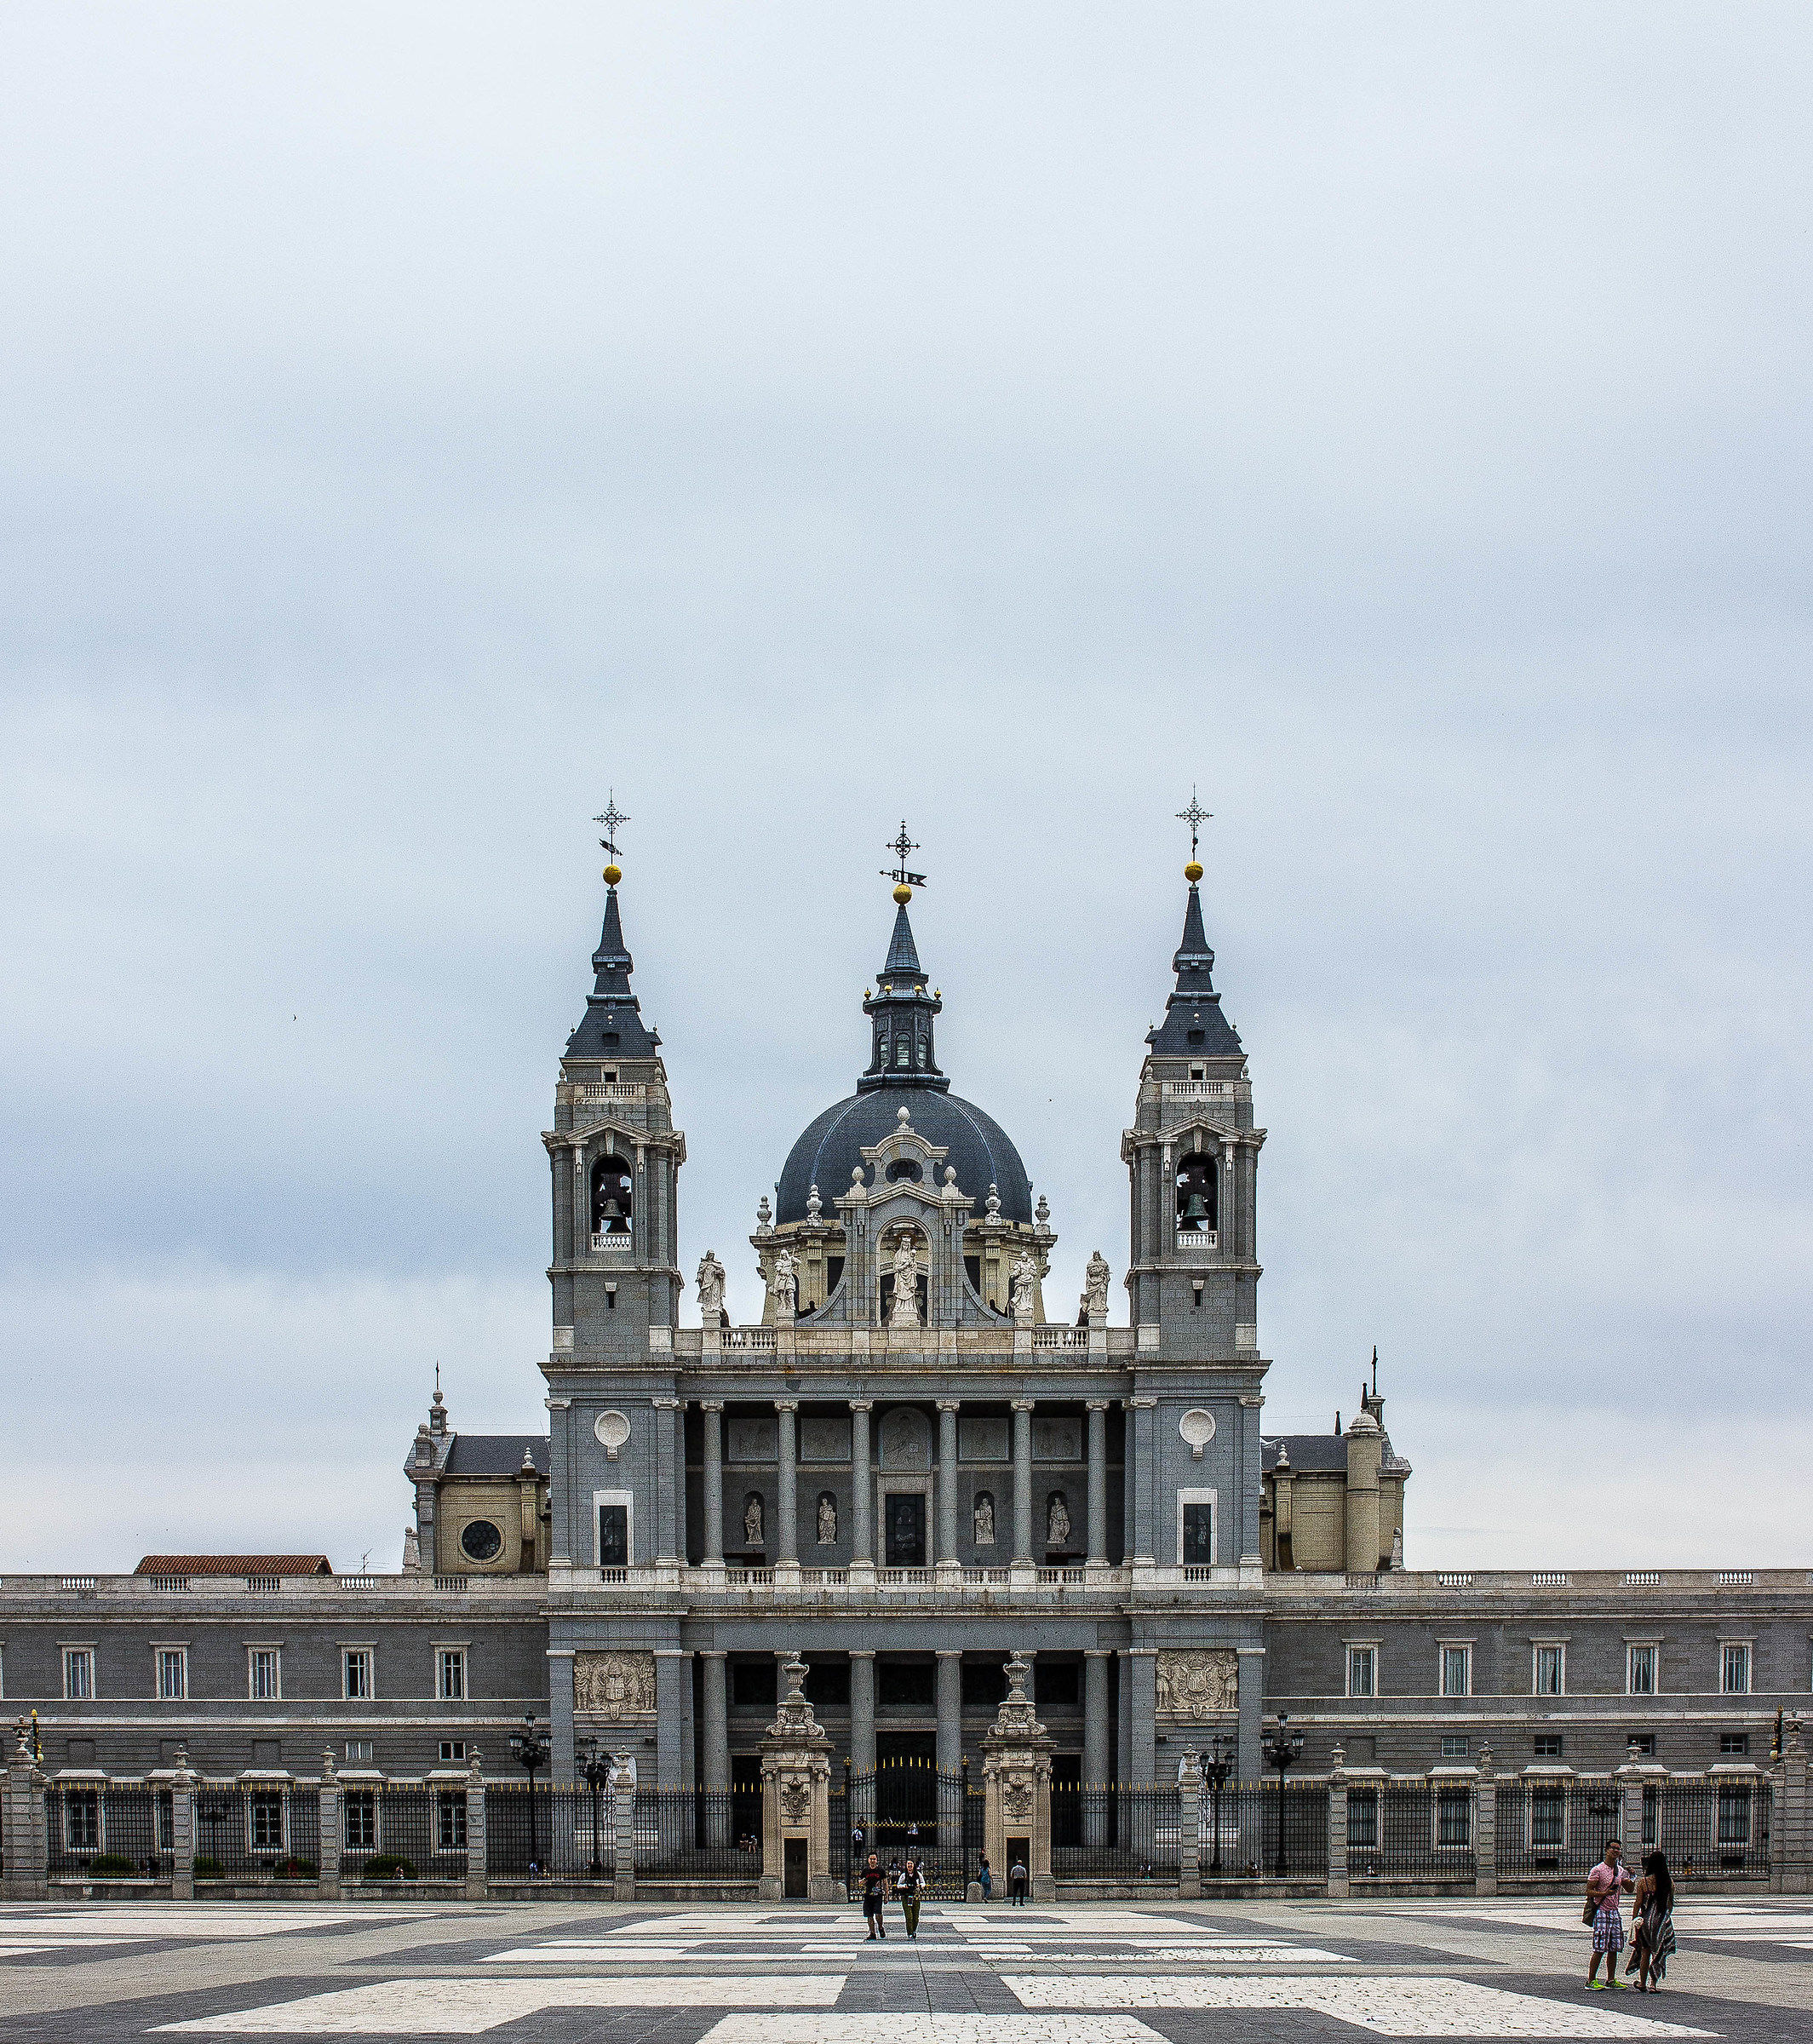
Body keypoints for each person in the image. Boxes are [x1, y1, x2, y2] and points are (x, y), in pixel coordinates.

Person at [1585, 1839, 1634, 1989]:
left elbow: (1630, 1889)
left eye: (1618, 1849)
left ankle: (1611, 1979)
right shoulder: (1598, 1870)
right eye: (1613, 1848)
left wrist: (1632, 1876)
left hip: (1614, 1912)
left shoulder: (1620, 1870)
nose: (1616, 1851)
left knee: (1614, 1947)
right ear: (1606, 1850)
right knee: (1599, 1947)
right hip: (1601, 1911)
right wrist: (1604, 1893)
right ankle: (1591, 1980)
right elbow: (1589, 1891)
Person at [1627, 1851, 1676, 1991]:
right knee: (1659, 1951)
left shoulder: (1644, 1882)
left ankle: (1642, 1983)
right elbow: (1670, 1904)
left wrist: (1634, 1919)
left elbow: (1638, 1902)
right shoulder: (1669, 1882)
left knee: (1645, 1952)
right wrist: (1665, 1917)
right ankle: (1653, 1984)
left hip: (1646, 1921)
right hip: (1662, 1920)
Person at [859, 1852, 889, 1940]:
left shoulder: (881, 1871)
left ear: (877, 1860)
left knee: (878, 1913)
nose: (872, 1861)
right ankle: (872, 1933)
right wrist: (862, 1882)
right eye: (871, 1859)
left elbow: (885, 1883)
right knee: (869, 1915)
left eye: (874, 1859)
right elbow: (860, 1881)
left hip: (878, 1895)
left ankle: (880, 1927)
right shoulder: (865, 1870)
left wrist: (886, 1895)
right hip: (868, 1895)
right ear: (868, 1860)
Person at [898, 1855, 924, 1938]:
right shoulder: (903, 1875)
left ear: (914, 1865)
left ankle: (914, 1931)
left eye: (911, 1864)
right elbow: (898, 1885)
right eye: (908, 1864)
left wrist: (920, 1886)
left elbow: (923, 1883)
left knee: (915, 1916)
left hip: (916, 1896)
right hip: (906, 1897)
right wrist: (904, 1886)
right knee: (909, 1916)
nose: (909, 1866)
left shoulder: (918, 1874)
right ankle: (909, 1932)